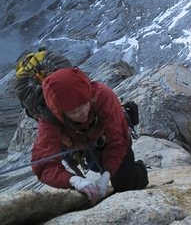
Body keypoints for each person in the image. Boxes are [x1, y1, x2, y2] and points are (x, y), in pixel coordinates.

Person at [31, 66, 148, 204]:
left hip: (105, 140)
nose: (83, 113)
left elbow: (118, 138)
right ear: (59, 112)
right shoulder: (49, 119)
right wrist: (72, 180)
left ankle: (139, 169)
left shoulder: (103, 95)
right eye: (74, 112)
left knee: (124, 184)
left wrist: (107, 173)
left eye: (85, 104)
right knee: (92, 180)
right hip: (81, 145)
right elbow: (43, 164)